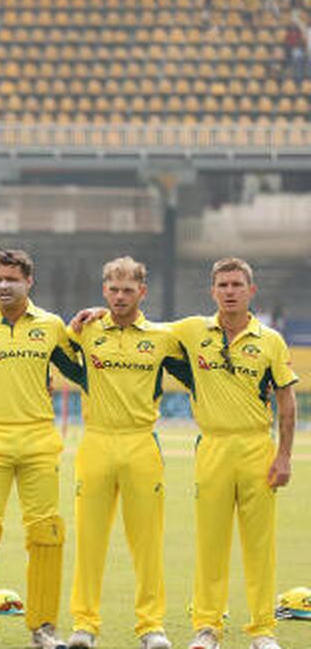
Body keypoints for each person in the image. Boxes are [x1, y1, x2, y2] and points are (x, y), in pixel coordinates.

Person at [74, 258, 296, 649]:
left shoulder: (271, 340)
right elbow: (141, 324)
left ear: (251, 291)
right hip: (212, 446)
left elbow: (287, 400)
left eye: (237, 285)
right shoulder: (191, 331)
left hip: (256, 446)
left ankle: (262, 631)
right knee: (210, 543)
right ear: (212, 292)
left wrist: (284, 455)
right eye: (222, 285)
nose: (229, 291)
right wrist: (99, 312)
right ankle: (206, 628)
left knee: (260, 545)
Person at [0, 249, 85, 649]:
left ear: (29, 282)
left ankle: (43, 629)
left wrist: (92, 321)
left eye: (12, 279)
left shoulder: (51, 326)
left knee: (47, 533)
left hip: (39, 440)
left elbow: (85, 369)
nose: (5, 286)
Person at [64, 257, 191, 649]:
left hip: (141, 444)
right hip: (97, 442)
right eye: (113, 290)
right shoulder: (84, 330)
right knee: (89, 541)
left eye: (128, 290)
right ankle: (84, 625)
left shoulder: (162, 337)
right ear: (104, 290)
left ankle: (151, 627)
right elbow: (38, 331)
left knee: (147, 542)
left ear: (142, 292)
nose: (120, 297)